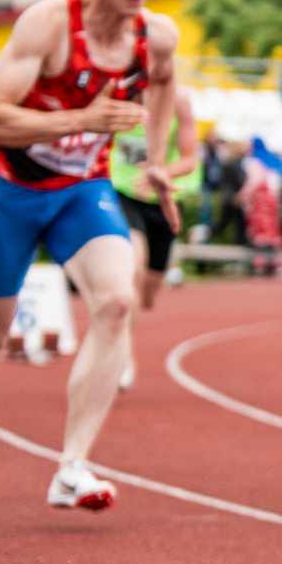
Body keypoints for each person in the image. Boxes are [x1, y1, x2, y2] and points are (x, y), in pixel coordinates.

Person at [0, 0, 180, 512]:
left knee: (117, 300)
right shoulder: (48, 24)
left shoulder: (156, 35)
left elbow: (164, 86)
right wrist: (81, 121)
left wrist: (153, 161)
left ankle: (72, 465)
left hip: (82, 188)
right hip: (9, 187)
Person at [110, 84, 200, 390]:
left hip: (163, 197)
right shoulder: (115, 95)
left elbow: (190, 160)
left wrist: (162, 174)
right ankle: (125, 356)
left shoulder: (178, 101)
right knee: (132, 269)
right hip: (124, 192)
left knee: (148, 291)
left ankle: (146, 296)